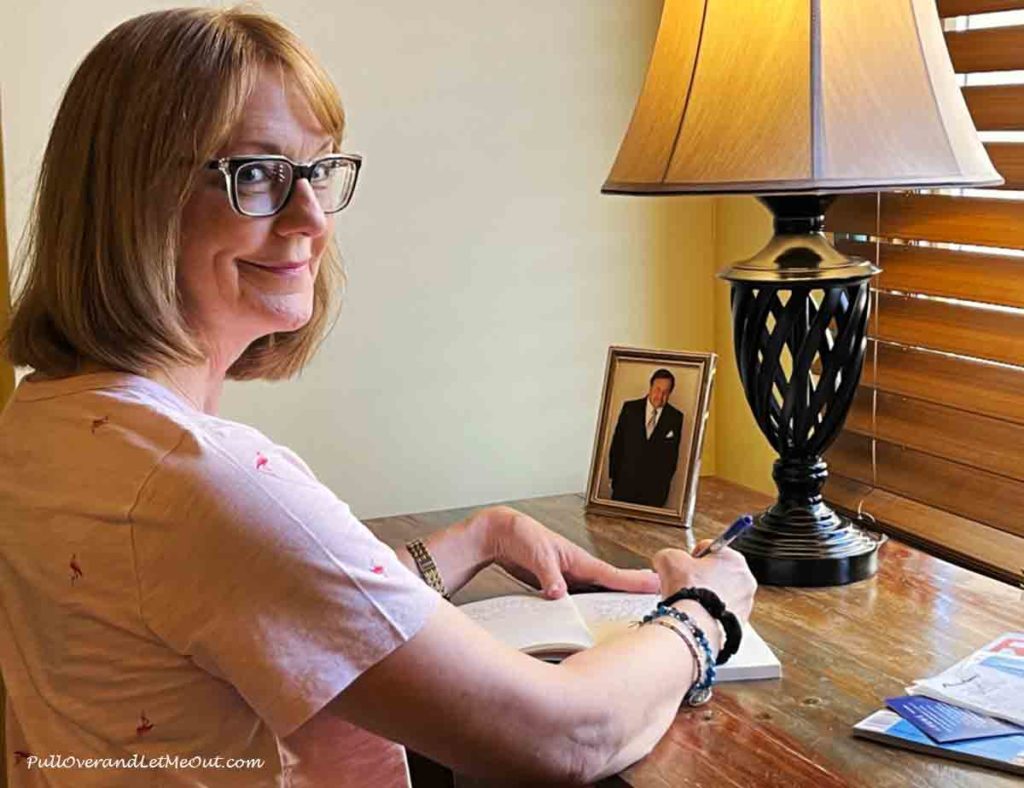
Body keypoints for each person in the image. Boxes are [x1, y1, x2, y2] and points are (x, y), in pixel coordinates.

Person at [0, 8, 756, 787]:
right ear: (133, 199)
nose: (311, 219)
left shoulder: (44, 424)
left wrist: (479, 537)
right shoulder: (197, 482)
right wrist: (705, 611)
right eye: (256, 173)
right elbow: (568, 736)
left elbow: (248, 601)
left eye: (318, 171)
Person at [608, 369, 684, 508]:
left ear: (670, 393)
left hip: (654, 495)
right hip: (624, 488)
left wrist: (663, 487)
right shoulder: (630, 409)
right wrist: (614, 479)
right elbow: (617, 446)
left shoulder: (676, 417)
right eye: (657, 389)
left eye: (665, 392)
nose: (660, 396)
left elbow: (672, 458)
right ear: (650, 387)